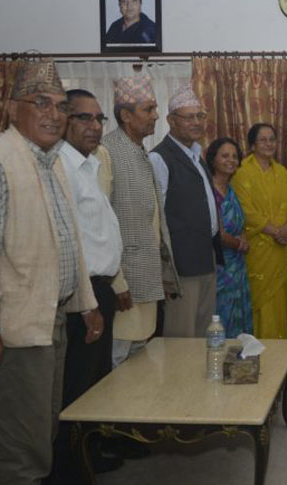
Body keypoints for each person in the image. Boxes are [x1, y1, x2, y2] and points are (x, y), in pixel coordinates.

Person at [0, 60, 99, 483]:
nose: (53, 114)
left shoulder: (51, 163)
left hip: (53, 321)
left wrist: (86, 303)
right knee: (21, 448)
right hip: (17, 330)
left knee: (43, 431)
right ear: (13, 109)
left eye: (61, 106)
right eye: (41, 103)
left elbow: (69, 242)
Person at [52, 89, 127, 478]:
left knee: (96, 384)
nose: (94, 127)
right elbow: (70, 242)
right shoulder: (60, 168)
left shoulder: (88, 164)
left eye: (99, 119)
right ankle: (67, 470)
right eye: (84, 118)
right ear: (64, 119)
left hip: (101, 287)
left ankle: (90, 453)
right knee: (76, 386)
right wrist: (88, 300)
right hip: (81, 294)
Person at [102, 75, 179, 367]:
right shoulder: (107, 152)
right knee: (117, 359)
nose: (156, 115)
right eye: (149, 109)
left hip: (146, 277)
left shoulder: (139, 150)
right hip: (124, 284)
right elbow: (101, 225)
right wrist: (117, 282)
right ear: (125, 115)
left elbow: (153, 222)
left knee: (139, 360)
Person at [150, 84, 220, 338]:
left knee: (203, 333)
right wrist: (164, 270)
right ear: (171, 121)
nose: (196, 123)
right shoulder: (160, 158)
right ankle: (179, 380)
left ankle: (196, 379)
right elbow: (155, 217)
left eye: (200, 116)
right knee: (181, 335)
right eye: (188, 117)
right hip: (180, 265)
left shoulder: (196, 155)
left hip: (205, 257)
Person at [231, 123, 287, 339]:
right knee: (259, 303)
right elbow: (246, 211)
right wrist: (275, 232)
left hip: (280, 250)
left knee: (278, 301)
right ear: (252, 145)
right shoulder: (241, 172)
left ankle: (279, 358)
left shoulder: (281, 171)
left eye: (272, 139)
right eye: (263, 140)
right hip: (257, 251)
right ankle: (256, 356)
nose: (269, 144)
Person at [206, 137, 253, 337]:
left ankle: (238, 362)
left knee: (238, 315)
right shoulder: (208, 190)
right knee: (220, 317)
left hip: (237, 266)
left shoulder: (231, 190)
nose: (231, 160)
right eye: (225, 156)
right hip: (218, 266)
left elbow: (238, 223)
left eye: (234, 156)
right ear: (213, 159)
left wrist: (242, 236)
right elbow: (214, 231)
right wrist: (239, 243)